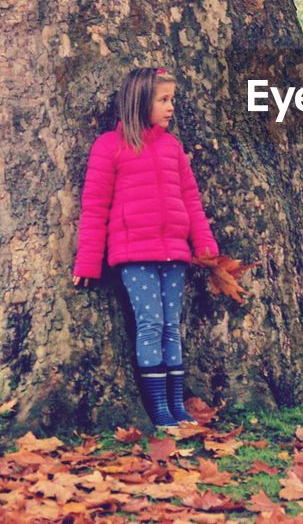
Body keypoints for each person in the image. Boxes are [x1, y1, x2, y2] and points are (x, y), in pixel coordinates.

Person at [72, 67, 219, 430]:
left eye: (172, 100)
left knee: (172, 327)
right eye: (163, 100)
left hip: (174, 254)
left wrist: (204, 244)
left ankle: (175, 405)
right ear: (140, 102)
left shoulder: (172, 147)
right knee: (151, 325)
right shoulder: (109, 147)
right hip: (134, 255)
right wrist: (88, 263)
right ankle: (158, 410)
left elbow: (191, 199)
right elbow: (95, 206)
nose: (171, 108)